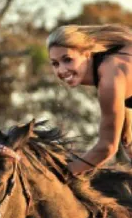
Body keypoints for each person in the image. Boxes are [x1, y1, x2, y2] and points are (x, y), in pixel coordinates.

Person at [46, 24, 132, 175]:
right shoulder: (111, 63)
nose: (61, 70)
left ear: (86, 54)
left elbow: (107, 147)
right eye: (55, 63)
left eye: (67, 60)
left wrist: (62, 174)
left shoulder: (108, 79)